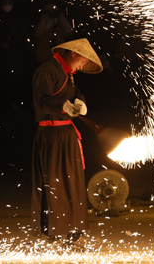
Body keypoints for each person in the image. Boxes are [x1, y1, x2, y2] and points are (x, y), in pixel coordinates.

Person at [31, 38, 102, 250]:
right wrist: (63, 106)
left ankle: (75, 234)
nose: (83, 64)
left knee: (74, 183)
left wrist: (80, 101)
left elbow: (76, 92)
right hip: (51, 135)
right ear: (73, 53)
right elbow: (43, 102)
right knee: (54, 185)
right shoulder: (47, 70)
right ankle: (53, 235)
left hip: (68, 134)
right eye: (83, 60)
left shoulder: (68, 74)